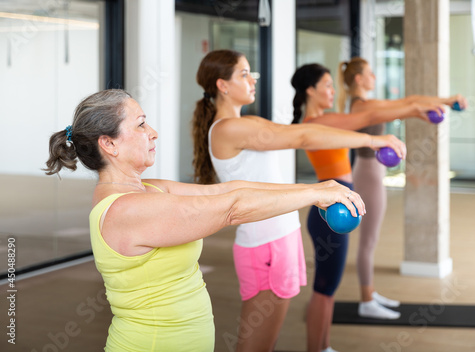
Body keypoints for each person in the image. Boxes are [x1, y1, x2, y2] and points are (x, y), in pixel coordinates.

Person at [44, 89, 367, 352]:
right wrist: (313, 195)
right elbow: (231, 209)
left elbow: (230, 189)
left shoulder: (152, 188)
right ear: (109, 143)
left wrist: (317, 188)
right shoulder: (125, 211)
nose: (152, 133)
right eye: (141, 124)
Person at [191, 50, 406, 352]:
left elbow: (303, 137)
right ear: (222, 86)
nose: (252, 79)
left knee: (267, 342)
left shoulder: (240, 124)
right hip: (265, 246)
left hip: (278, 240)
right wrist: (370, 140)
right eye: (243, 74)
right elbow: (302, 137)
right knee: (255, 347)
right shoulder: (229, 128)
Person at [291, 62, 445, 352]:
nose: (332, 90)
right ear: (310, 90)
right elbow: (369, 116)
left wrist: (415, 109)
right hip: (329, 210)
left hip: (338, 202)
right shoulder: (314, 124)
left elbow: (365, 120)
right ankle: (317, 348)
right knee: (323, 289)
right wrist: (411, 112)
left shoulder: (327, 118)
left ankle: (324, 346)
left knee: (329, 288)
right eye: (326, 85)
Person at [336, 56, 468, 321]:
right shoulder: (363, 105)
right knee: (368, 241)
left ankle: (370, 293)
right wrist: (443, 100)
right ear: (359, 79)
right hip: (368, 173)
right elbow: (407, 104)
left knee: (370, 241)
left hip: (371, 171)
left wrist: (444, 100)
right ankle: (366, 301)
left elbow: (409, 100)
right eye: (370, 73)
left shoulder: (362, 103)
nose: (374, 77)